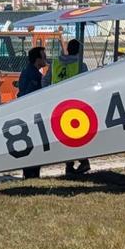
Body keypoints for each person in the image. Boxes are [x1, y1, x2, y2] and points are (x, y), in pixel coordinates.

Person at [45, 39, 92, 176]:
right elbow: (87, 83)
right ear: (79, 51)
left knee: (64, 134)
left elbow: (45, 81)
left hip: (57, 104)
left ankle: (69, 164)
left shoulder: (55, 63)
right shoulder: (80, 65)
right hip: (75, 105)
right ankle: (82, 161)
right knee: (77, 134)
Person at [17, 46, 47, 178]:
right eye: (43, 56)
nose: (46, 58)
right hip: (32, 114)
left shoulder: (25, 72)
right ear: (37, 59)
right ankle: (32, 173)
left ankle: (29, 172)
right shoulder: (35, 75)